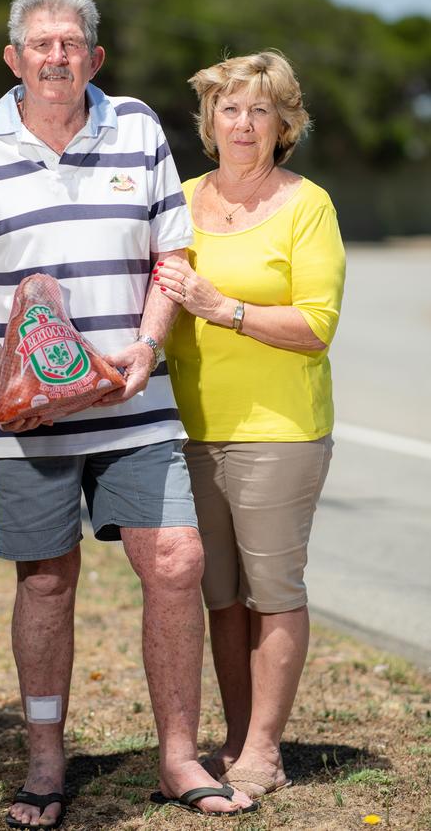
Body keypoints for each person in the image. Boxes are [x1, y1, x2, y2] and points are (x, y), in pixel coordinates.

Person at [0, 0, 256, 829]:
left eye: (71, 43)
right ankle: (45, 760)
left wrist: (147, 348)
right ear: (13, 58)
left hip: (133, 404)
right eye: (40, 44)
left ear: (95, 57)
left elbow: (171, 259)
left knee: (177, 561)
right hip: (27, 416)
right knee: (45, 583)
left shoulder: (139, 128)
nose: (56, 56)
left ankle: (180, 756)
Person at [156, 51, 345, 798]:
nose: (243, 123)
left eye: (260, 110)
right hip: (191, 429)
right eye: (229, 108)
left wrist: (220, 307)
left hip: (280, 430)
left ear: (284, 124)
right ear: (209, 121)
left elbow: (316, 325)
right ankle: (235, 740)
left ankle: (265, 750)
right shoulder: (180, 197)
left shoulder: (308, 204)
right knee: (221, 594)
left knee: (272, 589)